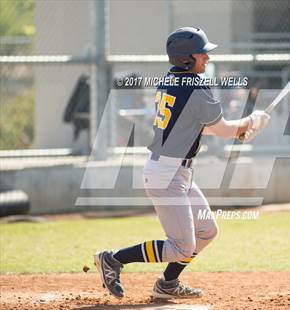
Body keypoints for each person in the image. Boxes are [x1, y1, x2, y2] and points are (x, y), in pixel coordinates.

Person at [94, 27, 270, 300]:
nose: (207, 59)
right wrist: (249, 123)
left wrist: (242, 128)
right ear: (186, 58)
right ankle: (113, 259)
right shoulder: (197, 88)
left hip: (176, 173)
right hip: (167, 174)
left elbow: (197, 127)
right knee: (182, 248)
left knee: (207, 230)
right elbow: (222, 129)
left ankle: (167, 284)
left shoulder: (170, 80)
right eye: (202, 55)